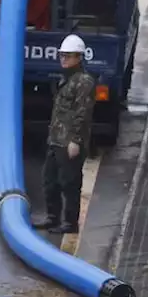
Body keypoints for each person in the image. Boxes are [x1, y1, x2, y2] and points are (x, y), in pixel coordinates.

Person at [33, 34, 95, 235]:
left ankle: (70, 222)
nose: (63, 59)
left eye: (68, 56)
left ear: (79, 57)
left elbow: (82, 113)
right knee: (49, 179)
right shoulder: (65, 79)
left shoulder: (83, 82)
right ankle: (53, 217)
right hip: (56, 140)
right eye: (62, 56)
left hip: (69, 142)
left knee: (69, 182)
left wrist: (75, 141)